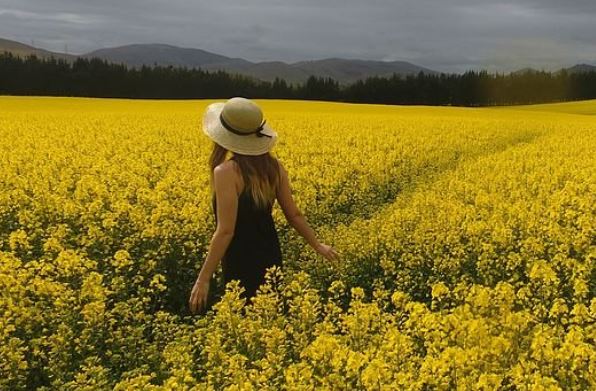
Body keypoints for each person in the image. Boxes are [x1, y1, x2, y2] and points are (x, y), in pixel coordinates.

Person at [189, 97, 340, 314]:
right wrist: (318, 245)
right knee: (269, 316)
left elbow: (225, 231)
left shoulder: (225, 172)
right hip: (270, 253)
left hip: (240, 256)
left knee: (243, 316)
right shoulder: (274, 168)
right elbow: (294, 214)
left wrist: (203, 280)